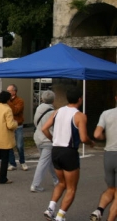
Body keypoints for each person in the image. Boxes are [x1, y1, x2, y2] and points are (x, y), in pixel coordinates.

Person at [42, 86, 94, 221]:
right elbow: (83, 138)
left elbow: (44, 128)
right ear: (80, 99)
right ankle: (60, 216)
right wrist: (91, 142)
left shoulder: (58, 111)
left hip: (56, 150)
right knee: (71, 188)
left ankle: (50, 209)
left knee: (61, 183)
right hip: (69, 151)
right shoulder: (79, 116)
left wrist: (52, 139)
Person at [89, 92, 117, 221]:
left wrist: (106, 137)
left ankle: (98, 210)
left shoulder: (106, 113)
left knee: (111, 188)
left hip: (109, 154)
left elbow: (97, 134)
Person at [30, 90, 58, 192]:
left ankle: (57, 180)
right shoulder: (53, 112)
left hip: (38, 137)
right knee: (44, 162)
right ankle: (35, 185)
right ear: (53, 100)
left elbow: (35, 122)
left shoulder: (38, 108)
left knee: (49, 161)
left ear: (42, 99)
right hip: (48, 139)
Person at [6, 84, 28, 171]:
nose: (7, 92)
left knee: (19, 145)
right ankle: (12, 163)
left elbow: (15, 111)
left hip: (18, 125)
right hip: (9, 126)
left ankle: (22, 162)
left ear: (14, 91)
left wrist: (9, 102)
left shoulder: (20, 101)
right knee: (9, 146)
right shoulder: (6, 101)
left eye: (9, 91)